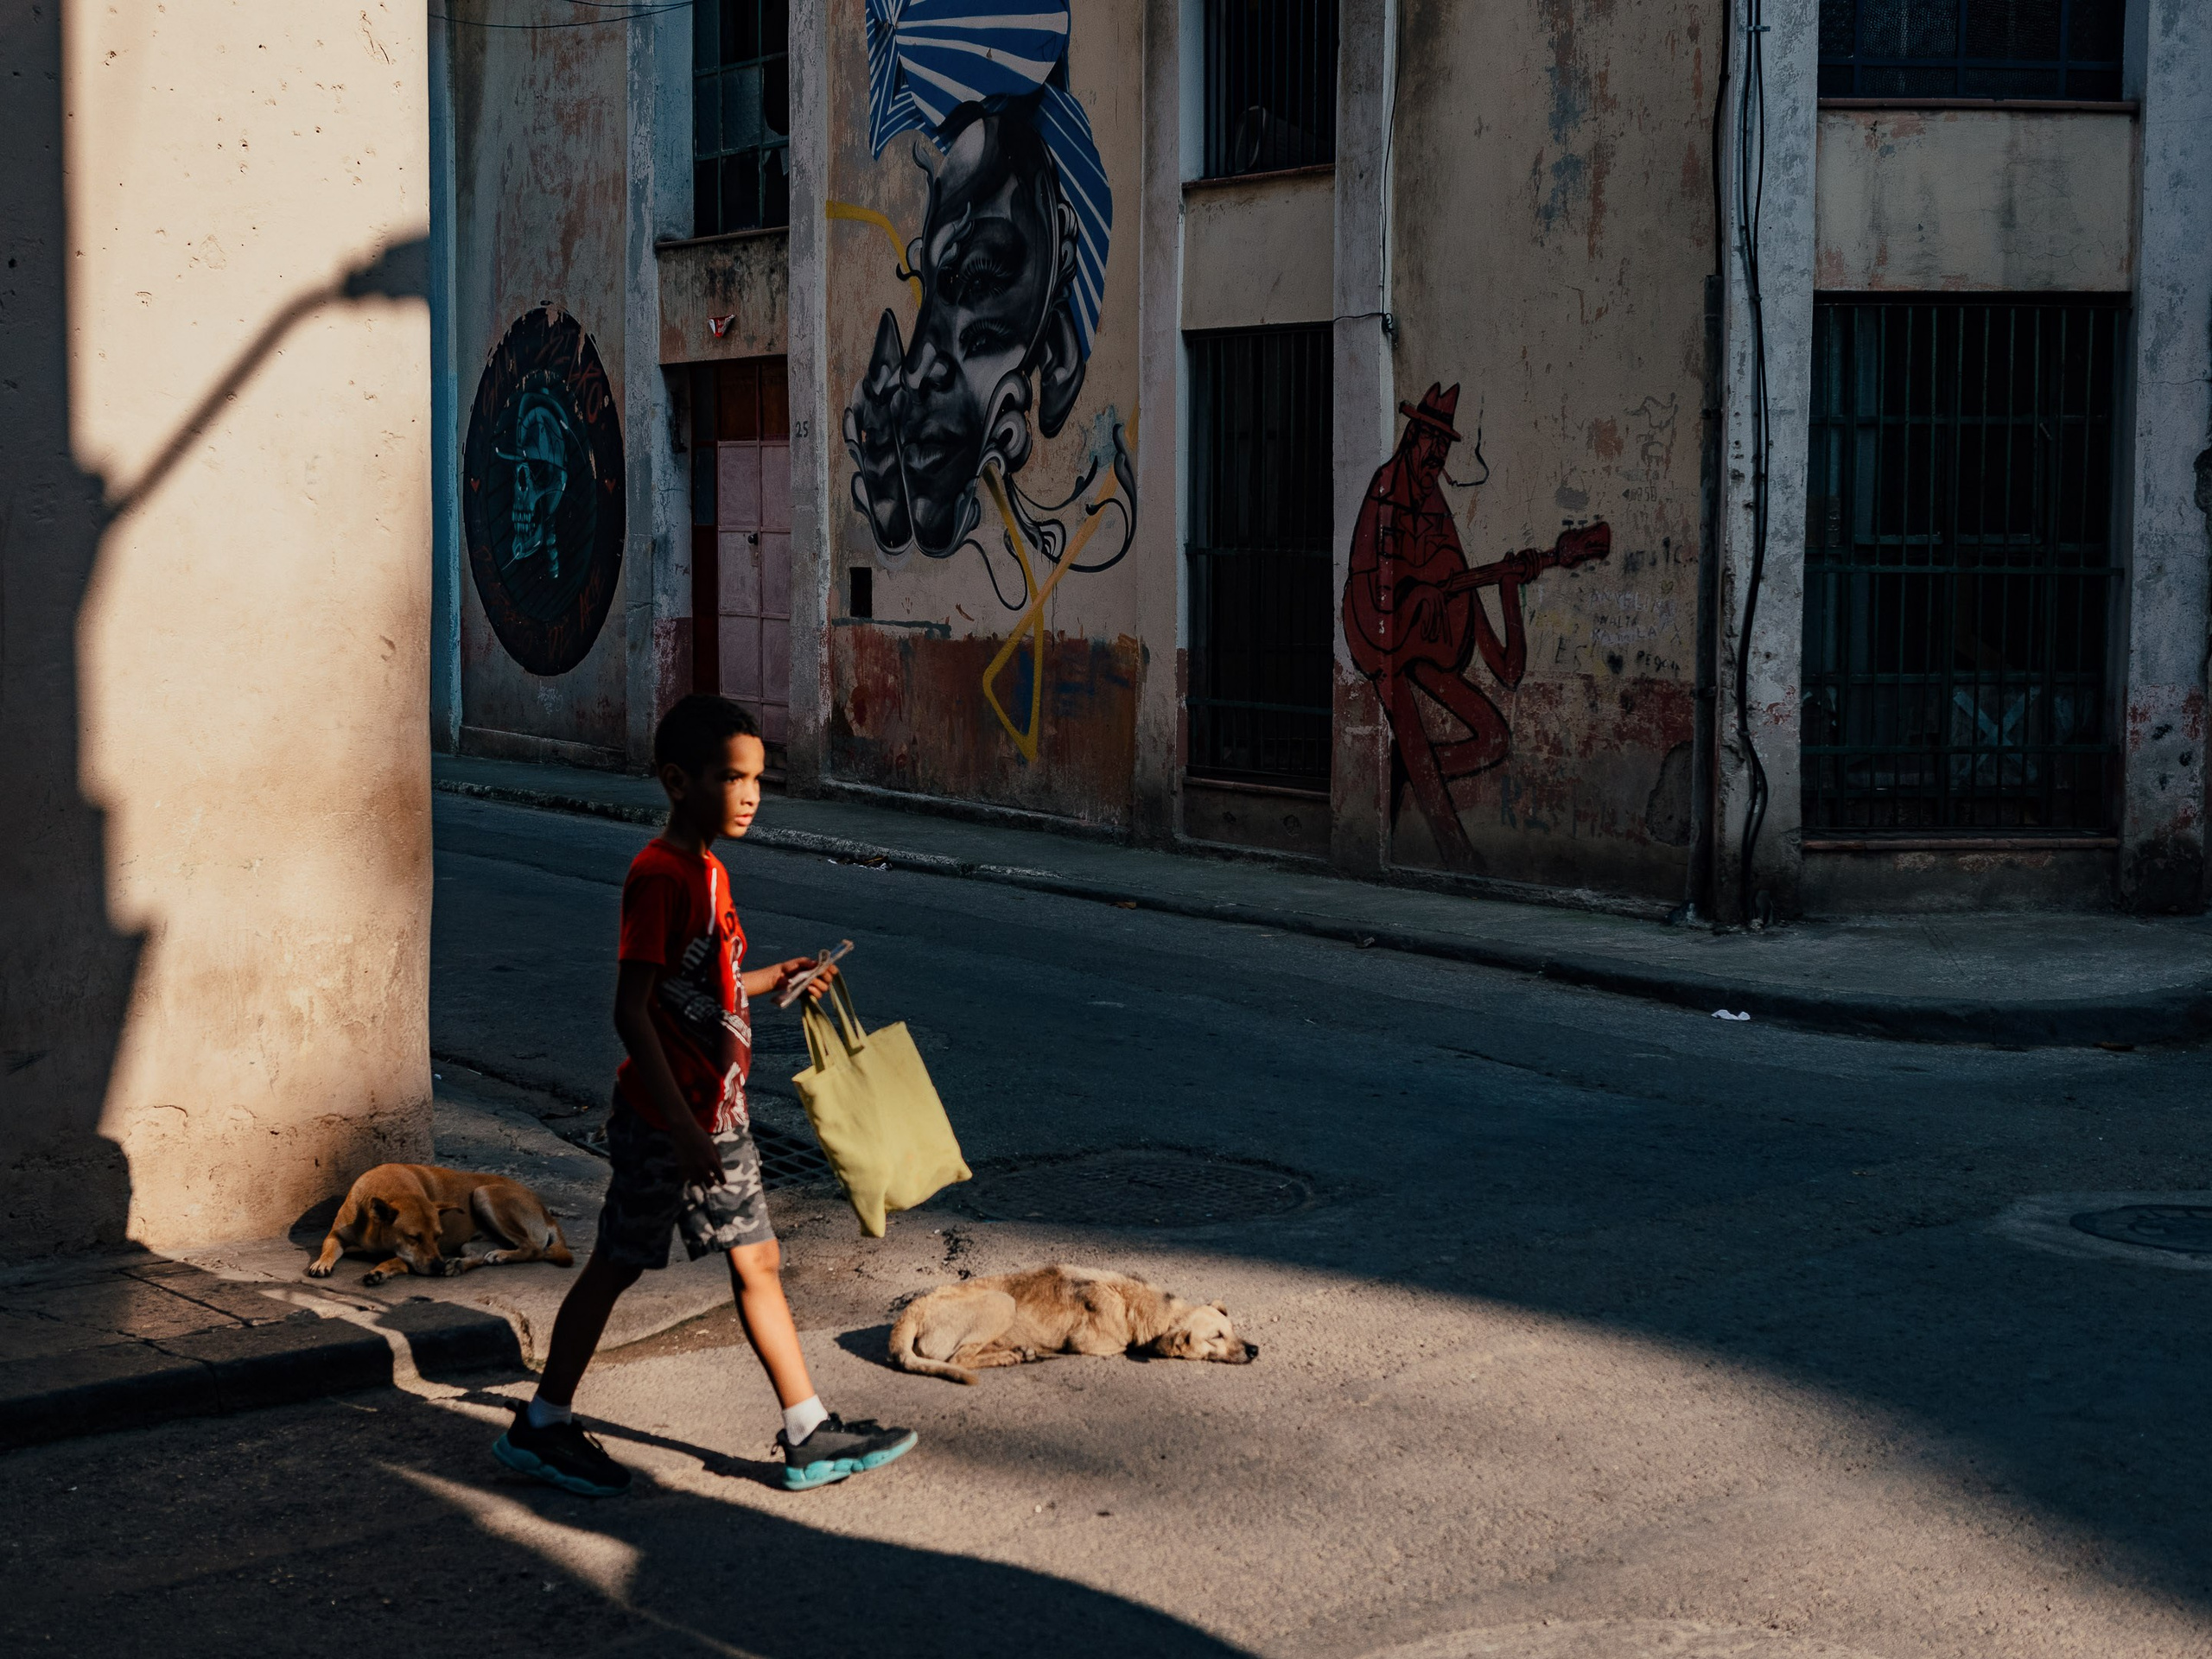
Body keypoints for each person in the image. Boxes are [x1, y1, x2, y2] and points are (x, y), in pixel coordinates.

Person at [493, 695, 918, 1496]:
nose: (752, 794)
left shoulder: (710, 871)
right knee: (624, 1266)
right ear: (677, 781)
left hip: (709, 1116)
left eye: (758, 777)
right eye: (732, 777)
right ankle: (545, 1424)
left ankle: (805, 1428)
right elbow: (633, 1008)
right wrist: (685, 1127)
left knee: (751, 1260)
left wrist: (777, 976)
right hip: (676, 1121)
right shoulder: (661, 876)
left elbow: (706, 990)